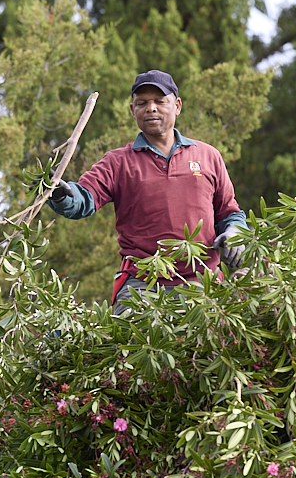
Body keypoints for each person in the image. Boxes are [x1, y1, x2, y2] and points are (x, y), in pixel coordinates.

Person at [48, 69, 247, 312]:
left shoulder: (208, 156)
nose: (150, 108)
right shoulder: (118, 162)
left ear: (177, 106)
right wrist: (59, 193)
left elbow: (229, 212)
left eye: (159, 101)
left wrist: (235, 232)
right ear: (133, 110)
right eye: (142, 103)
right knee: (134, 349)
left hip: (203, 286)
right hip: (141, 288)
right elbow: (83, 199)